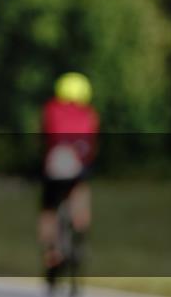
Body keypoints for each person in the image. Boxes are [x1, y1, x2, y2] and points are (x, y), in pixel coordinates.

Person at [37, 71, 99, 291]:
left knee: (48, 210)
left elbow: (45, 138)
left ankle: (51, 251)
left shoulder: (51, 109)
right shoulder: (89, 113)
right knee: (80, 191)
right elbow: (91, 147)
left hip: (54, 168)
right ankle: (80, 228)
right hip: (78, 169)